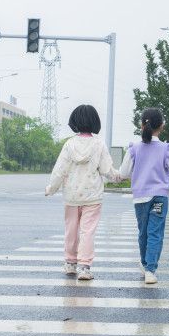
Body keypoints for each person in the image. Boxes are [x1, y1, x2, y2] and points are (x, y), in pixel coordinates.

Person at [118, 108, 169, 284]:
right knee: (155, 233)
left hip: (140, 199)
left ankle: (146, 264)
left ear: (141, 125)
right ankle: (150, 270)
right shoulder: (166, 149)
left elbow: (123, 173)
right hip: (159, 198)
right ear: (162, 126)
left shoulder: (134, 149)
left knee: (143, 233)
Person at [45, 104, 120, 281]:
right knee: (88, 231)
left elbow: (60, 170)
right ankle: (84, 267)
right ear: (94, 122)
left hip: (71, 196)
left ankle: (70, 263)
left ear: (75, 122)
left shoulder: (69, 145)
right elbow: (106, 169)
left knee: (71, 230)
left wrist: (52, 188)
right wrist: (120, 176)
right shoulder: (98, 144)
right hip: (92, 196)